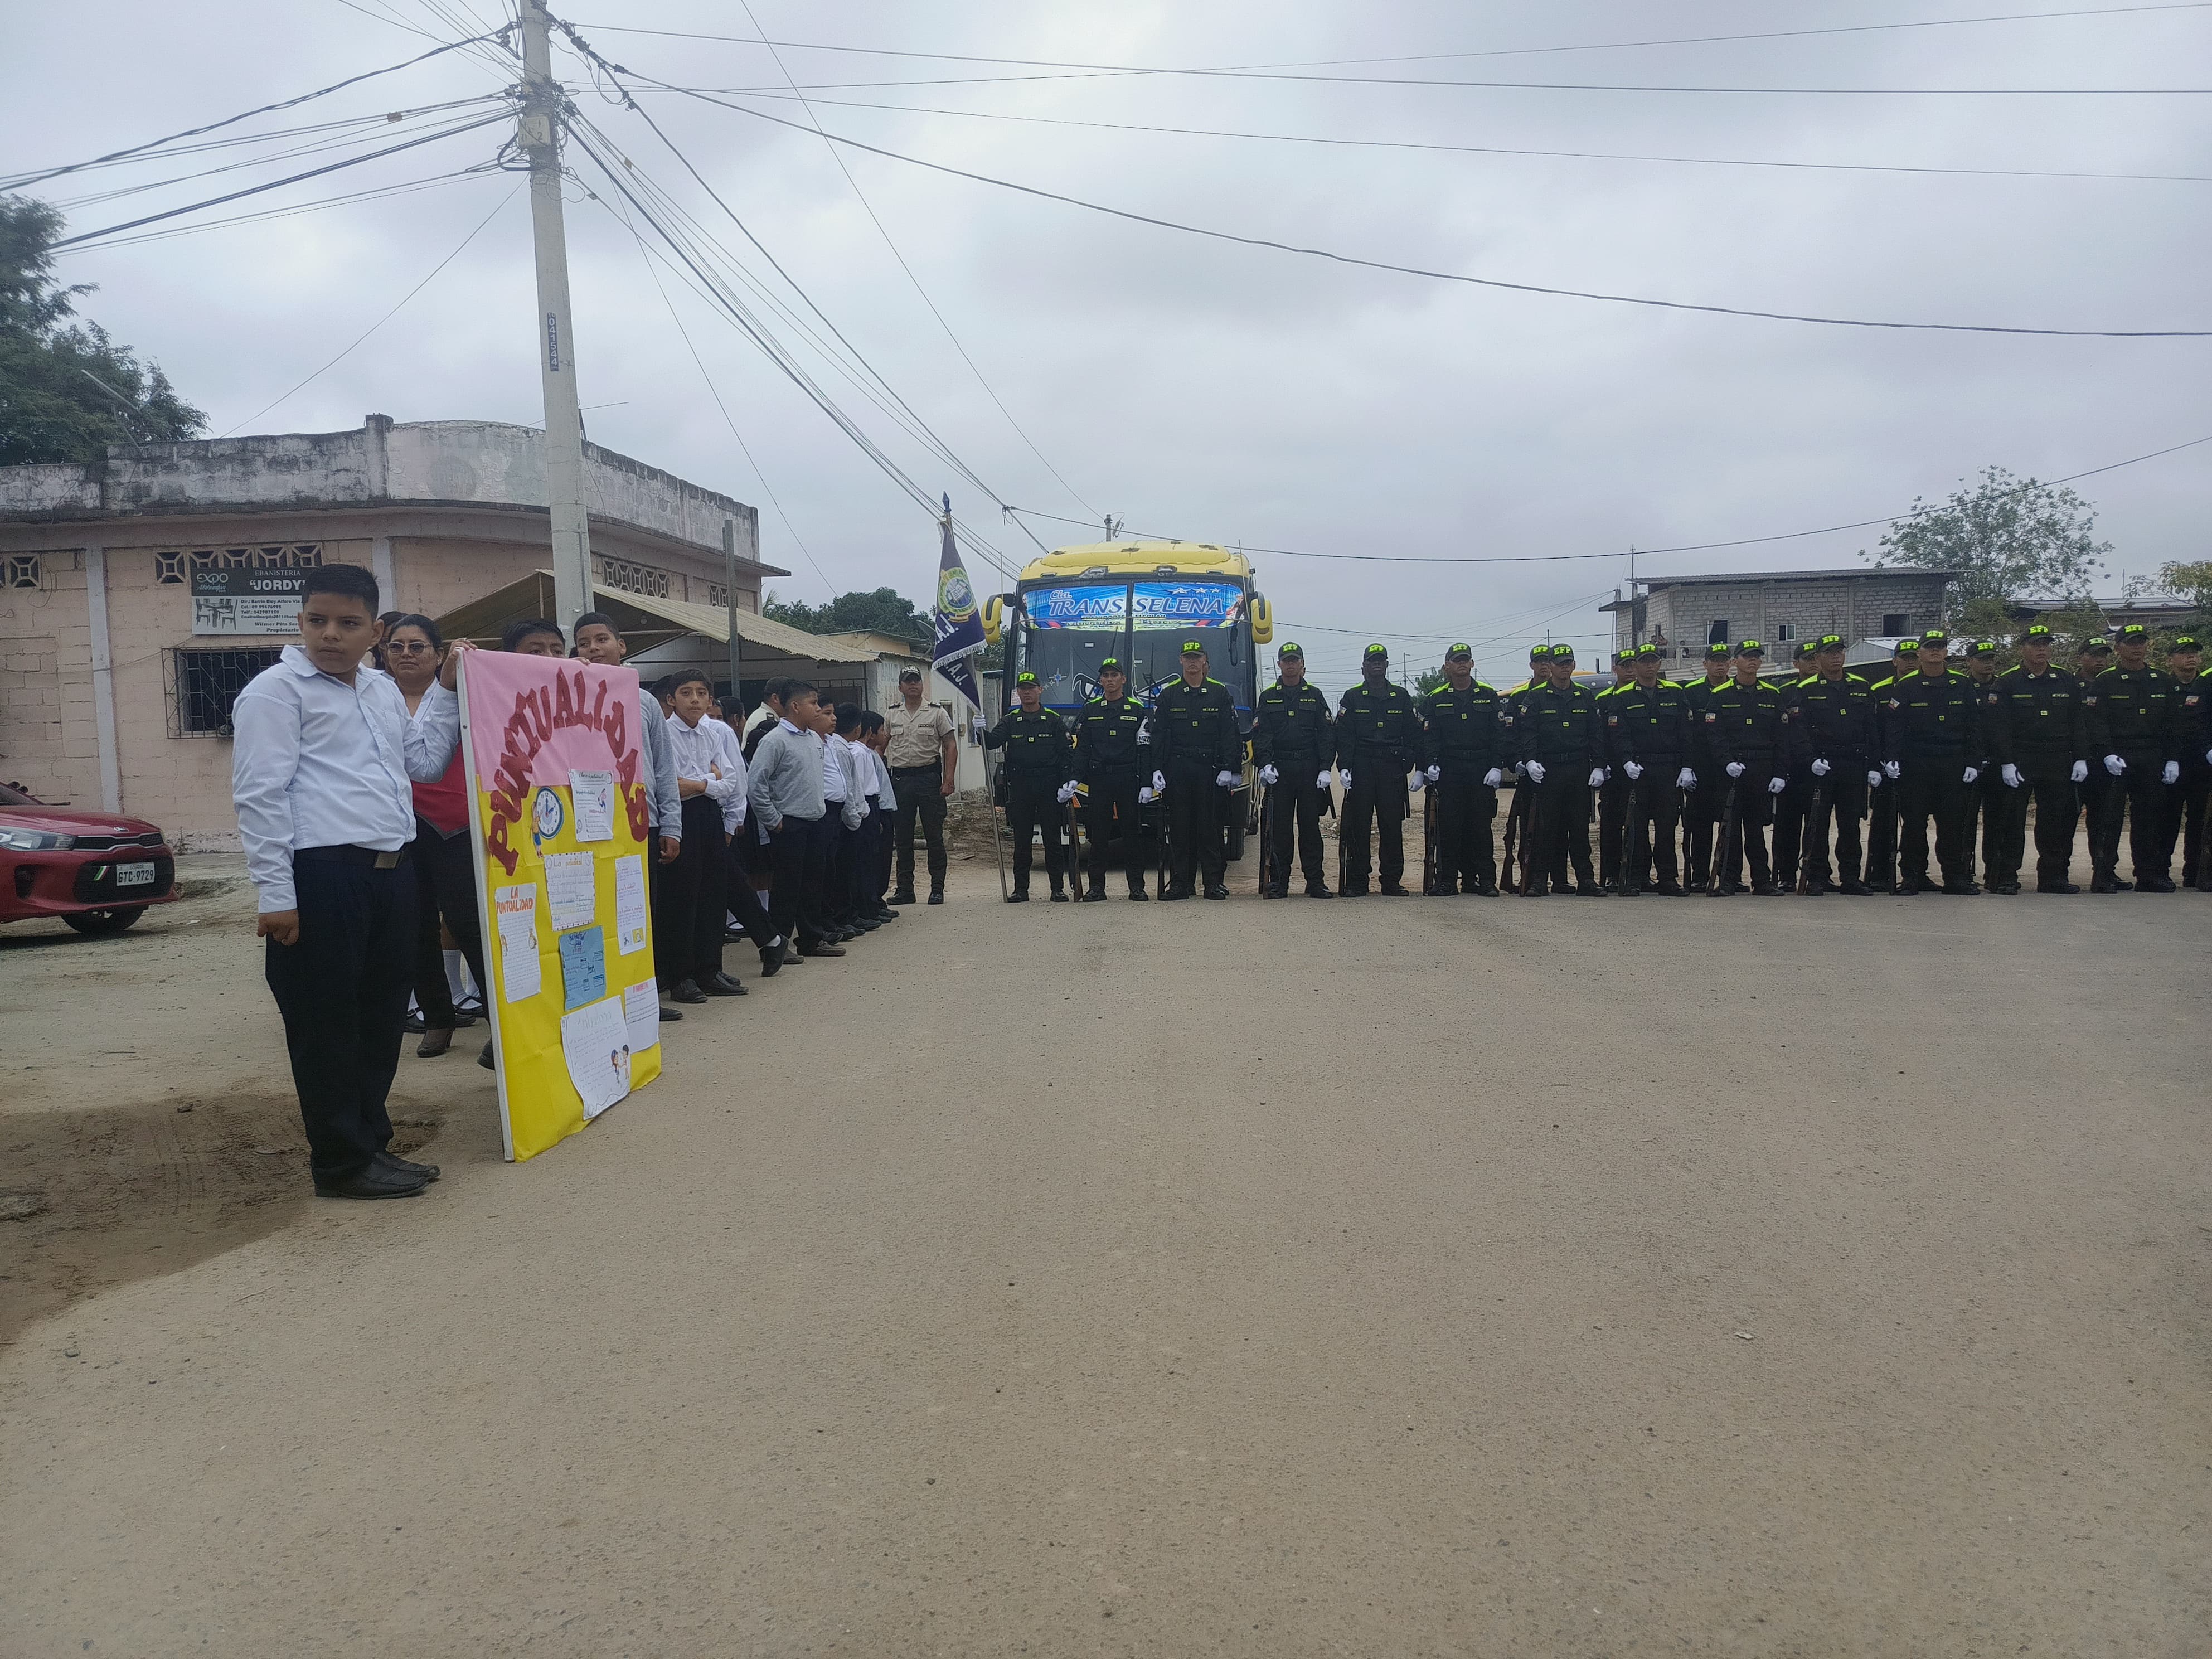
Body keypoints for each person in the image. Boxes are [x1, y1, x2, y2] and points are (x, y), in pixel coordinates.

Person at [231, 564, 473, 1200]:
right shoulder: (275, 692)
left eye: (347, 623)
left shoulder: (381, 691)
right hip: (322, 874)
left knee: (381, 1016)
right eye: (317, 621)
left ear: (375, 631)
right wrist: (277, 895)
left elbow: (423, 763)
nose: (330, 635)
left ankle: (370, 1143)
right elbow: (260, 797)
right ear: (301, 622)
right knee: (326, 1023)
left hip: (392, 874)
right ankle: (340, 1163)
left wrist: (448, 693)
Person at [379, 615, 489, 1057]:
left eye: (418, 646)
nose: (406, 654)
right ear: (384, 653)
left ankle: (500, 1020)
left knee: (468, 922)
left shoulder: (469, 692)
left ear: (440, 654)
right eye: (397, 646)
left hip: (455, 824)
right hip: (397, 827)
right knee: (414, 926)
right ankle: (438, 1017)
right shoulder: (372, 696)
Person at [571, 612, 690, 1008]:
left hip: (642, 823)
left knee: (638, 914)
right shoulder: (570, 693)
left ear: (621, 646)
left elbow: (664, 767)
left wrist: (671, 825)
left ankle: (642, 1000)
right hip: (590, 824)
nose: (593, 648)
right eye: (584, 642)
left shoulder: (645, 701)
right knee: (598, 915)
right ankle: (605, 999)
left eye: (602, 639)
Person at [657, 669, 749, 1003]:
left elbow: (731, 783)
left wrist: (697, 784)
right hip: (680, 818)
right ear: (671, 700)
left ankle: (710, 969)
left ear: (710, 700)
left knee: (713, 892)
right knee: (683, 896)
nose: (694, 700)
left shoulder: (713, 734)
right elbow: (670, 786)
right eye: (686, 693)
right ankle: (680, 976)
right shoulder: (665, 734)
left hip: (710, 815)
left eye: (701, 693)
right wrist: (709, 780)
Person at [1982, 623, 2087, 895]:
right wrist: (2006, 762)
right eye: (2035, 644)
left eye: (2045, 644)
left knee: (2056, 820)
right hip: (2021, 758)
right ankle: (2004, 876)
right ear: (2023, 648)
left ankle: (2053, 876)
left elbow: (2078, 722)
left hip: (2058, 758)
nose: (2041, 649)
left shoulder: (2066, 680)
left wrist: (2081, 758)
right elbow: (1999, 727)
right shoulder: (2007, 682)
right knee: (2011, 820)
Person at [1883, 630, 1985, 895]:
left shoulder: (1961, 684)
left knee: (1952, 824)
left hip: (1952, 764)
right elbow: (1895, 727)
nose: (1935, 651)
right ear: (1920, 653)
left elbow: (1974, 726)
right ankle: (1912, 877)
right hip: (1916, 765)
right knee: (1914, 825)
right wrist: (1892, 759)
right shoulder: (1906, 686)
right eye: (1930, 647)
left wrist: (1973, 761)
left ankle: (1955, 878)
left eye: (1940, 647)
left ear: (1947, 652)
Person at [2082, 622, 2181, 892]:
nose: (2137, 648)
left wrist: (2172, 759)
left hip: (2151, 756)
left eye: (2141, 642)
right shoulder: (2106, 681)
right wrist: (2106, 754)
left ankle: (2148, 875)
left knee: (2150, 818)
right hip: (2117, 757)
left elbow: (2173, 724)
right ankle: (2104, 874)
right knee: (2109, 819)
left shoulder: (2161, 680)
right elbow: (2096, 721)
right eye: (2131, 643)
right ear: (2118, 648)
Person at [748, 682, 845, 957]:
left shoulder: (814, 739)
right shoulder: (775, 740)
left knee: (813, 883)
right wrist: (773, 820)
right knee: (787, 887)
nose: (818, 709)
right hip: (789, 824)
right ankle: (779, 944)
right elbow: (756, 784)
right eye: (813, 703)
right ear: (795, 707)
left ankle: (811, 939)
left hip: (816, 821)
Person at [1507, 644, 1604, 896]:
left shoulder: (1584, 696)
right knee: (1545, 828)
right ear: (1550, 666)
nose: (1564, 668)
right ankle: (1539, 880)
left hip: (1578, 768)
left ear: (1573, 665)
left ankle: (1586, 879)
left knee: (1579, 828)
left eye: (1568, 663)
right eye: (1559, 664)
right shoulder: (1536, 697)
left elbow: (1596, 734)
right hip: (1548, 770)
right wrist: (1530, 761)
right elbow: (1528, 734)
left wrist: (1599, 766)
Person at [1786, 633, 1880, 895]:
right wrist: (1810, 760)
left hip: (1853, 764)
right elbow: (1799, 731)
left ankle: (1850, 877)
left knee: (1850, 824)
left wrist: (1874, 765)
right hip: (1822, 765)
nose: (1836, 657)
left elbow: (1871, 729)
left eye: (1839, 651)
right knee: (1817, 823)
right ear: (1818, 658)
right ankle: (1817, 877)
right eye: (1829, 653)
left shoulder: (1861, 686)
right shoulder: (1806, 690)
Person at [1151, 641, 1241, 900]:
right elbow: (1158, 735)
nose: (1192, 662)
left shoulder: (1219, 693)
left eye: (1197, 657)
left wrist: (1230, 768)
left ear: (1204, 661)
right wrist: (1156, 769)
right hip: (1178, 768)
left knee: (1210, 827)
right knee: (1179, 829)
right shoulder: (1169, 695)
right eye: (1188, 657)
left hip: (1209, 769)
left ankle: (1213, 882)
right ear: (1181, 660)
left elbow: (1230, 733)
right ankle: (1181, 883)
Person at [1334, 643, 1422, 896]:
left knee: (1392, 827)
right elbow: (1344, 735)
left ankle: (1391, 880)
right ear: (1364, 666)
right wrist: (1344, 767)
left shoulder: (1401, 696)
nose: (1377, 665)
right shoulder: (1352, 697)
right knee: (1358, 827)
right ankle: (1358, 880)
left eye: (1381, 661)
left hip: (1391, 768)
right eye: (1372, 661)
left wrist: (1410, 763)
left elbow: (1414, 734)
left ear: (1386, 665)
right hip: (1362, 768)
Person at [1418, 642, 1505, 896]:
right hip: (1450, 770)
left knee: (1480, 827)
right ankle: (1447, 881)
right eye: (1457, 660)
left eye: (1466, 660)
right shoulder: (1436, 699)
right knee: (1450, 827)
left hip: (1480, 769)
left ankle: (1484, 881)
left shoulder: (1488, 695)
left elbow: (1498, 735)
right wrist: (1430, 763)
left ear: (1472, 664)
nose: (1462, 664)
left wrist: (1496, 766)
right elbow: (1429, 736)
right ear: (1447, 666)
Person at [1604, 643, 1690, 895]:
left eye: (1654, 661)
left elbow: (1686, 734)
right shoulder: (1623, 696)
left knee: (1666, 826)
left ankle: (1668, 879)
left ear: (1659, 664)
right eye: (1644, 662)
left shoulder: (1675, 693)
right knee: (1636, 826)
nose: (1649, 666)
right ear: (1636, 665)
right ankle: (1635, 877)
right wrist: (1627, 761)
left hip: (1667, 769)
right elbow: (1619, 735)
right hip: (1638, 769)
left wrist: (1687, 767)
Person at [1251, 642, 1337, 898]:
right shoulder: (1268, 697)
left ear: (1302, 664)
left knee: (1310, 828)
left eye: (1295, 660)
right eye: (1286, 660)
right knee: (1279, 830)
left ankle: (1315, 882)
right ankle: (1279, 882)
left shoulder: (1315, 695)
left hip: (1309, 769)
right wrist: (1265, 764)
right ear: (1279, 664)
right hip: (1280, 770)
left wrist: (1325, 768)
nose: (1290, 664)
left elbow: (1326, 735)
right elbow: (1262, 734)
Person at [1706, 641, 1791, 895]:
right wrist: (1726, 762)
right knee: (1730, 828)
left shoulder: (1771, 695)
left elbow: (1781, 738)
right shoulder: (1720, 695)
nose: (1753, 661)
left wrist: (1779, 773)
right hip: (1732, 770)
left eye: (1756, 657)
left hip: (1761, 769)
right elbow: (1715, 735)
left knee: (1756, 829)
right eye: (1747, 656)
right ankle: (1729, 880)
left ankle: (1762, 881)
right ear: (1735, 662)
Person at [984, 671, 1075, 901]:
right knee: (1022, 841)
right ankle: (1021, 890)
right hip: (1021, 786)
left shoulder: (1053, 719)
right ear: (1018, 692)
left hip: (1049, 786)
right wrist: (979, 730)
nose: (1027, 692)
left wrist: (1067, 783)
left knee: (1053, 840)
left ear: (1040, 690)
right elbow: (992, 742)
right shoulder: (1010, 720)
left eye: (1031, 688)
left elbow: (1066, 754)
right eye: (1023, 689)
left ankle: (1057, 889)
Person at [1069, 656, 1151, 901]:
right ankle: (1096, 887)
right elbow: (1083, 749)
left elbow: (1144, 750)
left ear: (1123, 679)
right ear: (1101, 680)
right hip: (1100, 779)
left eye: (1114, 675)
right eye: (1105, 676)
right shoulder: (1091, 710)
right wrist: (1074, 778)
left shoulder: (1137, 710)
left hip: (1128, 778)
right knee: (1099, 835)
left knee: (1132, 834)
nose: (1110, 680)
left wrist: (1147, 783)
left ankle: (1136, 887)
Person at [885, 667, 957, 905]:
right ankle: (905, 890)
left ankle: (937, 889)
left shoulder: (936, 713)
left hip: (928, 780)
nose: (913, 685)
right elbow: (881, 745)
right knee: (903, 839)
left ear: (922, 686)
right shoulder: (891, 714)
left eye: (916, 681)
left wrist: (949, 779)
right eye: (908, 682)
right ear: (900, 687)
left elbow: (950, 745)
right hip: (901, 780)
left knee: (934, 836)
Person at [1862, 638, 1923, 893]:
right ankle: (1879, 873)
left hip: (1917, 764)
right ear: (1895, 661)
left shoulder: (1925, 686)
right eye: (1905, 659)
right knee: (1883, 822)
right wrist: (1878, 763)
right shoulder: (1879, 690)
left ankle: (1917, 873)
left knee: (1915, 822)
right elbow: (1873, 730)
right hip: (1886, 764)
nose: (1910, 663)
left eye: (1914, 658)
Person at [1680, 642, 1735, 890]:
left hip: (1728, 767)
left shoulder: (1736, 690)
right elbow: (1686, 732)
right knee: (1699, 825)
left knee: (1730, 824)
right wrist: (1687, 766)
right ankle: (1700, 876)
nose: (1720, 665)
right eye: (1715, 660)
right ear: (1705, 664)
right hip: (1701, 767)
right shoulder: (1691, 692)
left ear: (1731, 664)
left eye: (1724, 660)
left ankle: (1729, 876)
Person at [1768, 641, 1821, 891]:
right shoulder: (1785, 692)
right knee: (1786, 826)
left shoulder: (1829, 688)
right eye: (1807, 659)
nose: (1813, 663)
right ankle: (1786, 874)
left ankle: (1818, 873)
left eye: (1815, 658)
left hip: (1819, 767)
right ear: (1796, 664)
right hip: (1791, 769)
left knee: (1817, 825)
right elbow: (1779, 733)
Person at [2156, 634, 2208, 887]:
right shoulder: (2162, 685)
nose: (2190, 657)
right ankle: (2160, 871)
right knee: (2167, 819)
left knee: (2200, 820)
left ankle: (2194, 871)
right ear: (2170, 660)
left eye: (2194, 653)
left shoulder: (2206, 683)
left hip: (2201, 762)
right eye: (2184, 653)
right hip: (2171, 763)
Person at [1958, 639, 2003, 883]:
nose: (1988, 663)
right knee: (1966, 821)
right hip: (1969, 762)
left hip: (1998, 761)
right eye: (1982, 659)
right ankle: (1964, 871)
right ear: (1970, 662)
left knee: (1997, 820)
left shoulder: (2003, 685)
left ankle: (1994, 872)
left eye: (1991, 659)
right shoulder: (1961, 686)